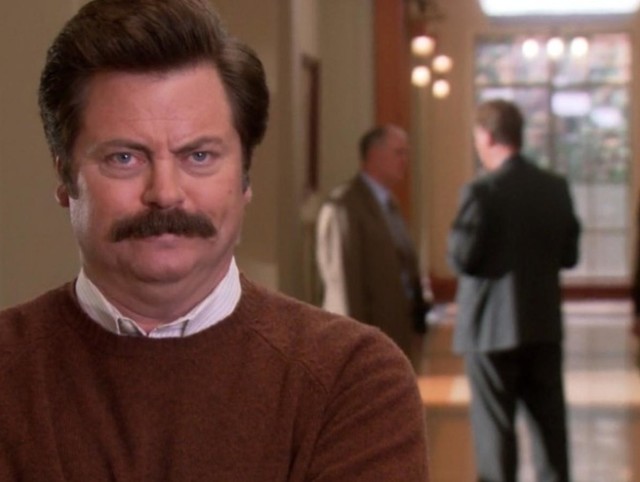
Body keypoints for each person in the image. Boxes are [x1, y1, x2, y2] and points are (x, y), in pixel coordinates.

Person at [0, 1, 430, 480]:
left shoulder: (353, 378)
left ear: (244, 178)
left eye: (199, 156)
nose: (165, 193)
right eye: (124, 158)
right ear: (65, 177)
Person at [448, 99, 580, 482]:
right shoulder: (555, 188)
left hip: (489, 332)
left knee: (495, 433)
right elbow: (570, 256)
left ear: (487, 137)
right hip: (542, 326)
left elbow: (461, 259)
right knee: (550, 431)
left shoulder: (481, 191)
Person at [315, 125, 431, 370]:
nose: (405, 160)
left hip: (395, 334)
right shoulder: (344, 206)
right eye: (398, 152)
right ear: (374, 155)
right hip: (364, 344)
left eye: (406, 153)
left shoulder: (389, 204)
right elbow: (342, 287)